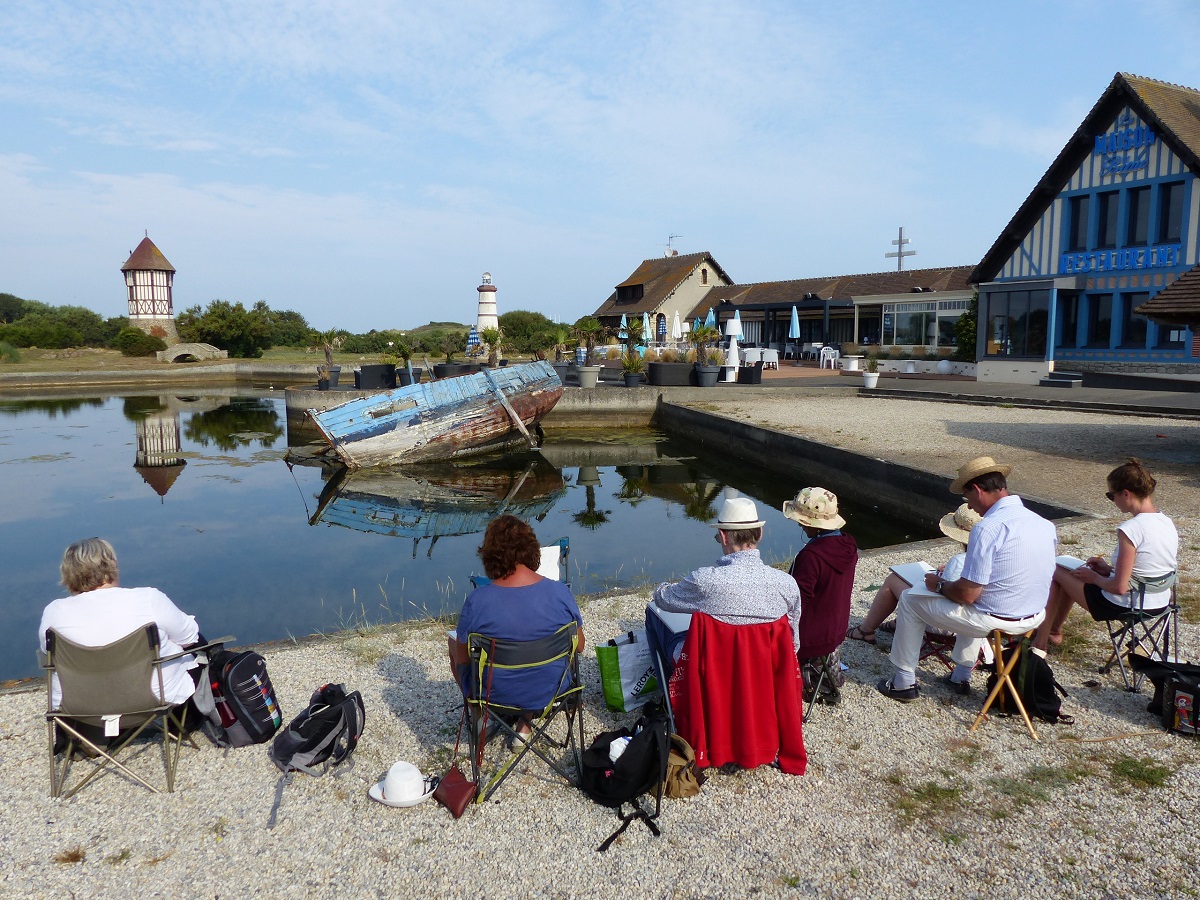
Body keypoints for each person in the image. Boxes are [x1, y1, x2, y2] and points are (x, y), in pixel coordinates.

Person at [878, 456, 1056, 702]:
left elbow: (967, 594)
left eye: (968, 498)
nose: (970, 507)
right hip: (1032, 618)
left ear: (977, 490)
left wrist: (938, 585)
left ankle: (903, 681)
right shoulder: (1044, 524)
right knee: (976, 598)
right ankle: (960, 674)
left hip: (996, 619)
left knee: (910, 599)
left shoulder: (987, 528)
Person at [39, 538, 206, 741]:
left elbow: (50, 657)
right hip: (151, 701)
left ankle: (88, 737)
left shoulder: (53, 612)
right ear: (112, 564)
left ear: (67, 573)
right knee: (200, 650)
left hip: (80, 707)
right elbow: (190, 637)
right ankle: (182, 724)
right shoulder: (148, 599)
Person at [450, 515, 584, 736]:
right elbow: (579, 647)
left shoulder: (478, 600)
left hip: (494, 693)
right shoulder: (560, 592)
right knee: (535, 655)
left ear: (490, 555)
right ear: (532, 549)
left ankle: (483, 718)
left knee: (453, 641)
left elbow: (464, 660)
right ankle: (525, 725)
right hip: (551, 689)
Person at [1033, 458, 1178, 652]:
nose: (1113, 501)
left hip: (1128, 604)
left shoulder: (1131, 529)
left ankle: (1041, 643)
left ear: (1125, 494)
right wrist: (1108, 570)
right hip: (1160, 602)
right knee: (1074, 572)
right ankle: (1053, 630)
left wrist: (1093, 577)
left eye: (1111, 496)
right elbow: (1148, 567)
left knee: (1056, 570)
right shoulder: (1166, 522)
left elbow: (1119, 587)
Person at [650, 496, 801, 665]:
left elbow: (662, 599)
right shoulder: (787, 584)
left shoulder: (705, 580)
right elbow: (793, 644)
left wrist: (663, 587)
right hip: (764, 668)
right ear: (760, 534)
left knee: (655, 616)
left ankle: (669, 688)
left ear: (723, 536)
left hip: (713, 668)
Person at [846, 503, 981, 644]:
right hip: (980, 622)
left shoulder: (959, 561)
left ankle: (865, 631)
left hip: (948, 623)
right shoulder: (993, 558)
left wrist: (936, 581)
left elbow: (946, 596)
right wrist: (948, 571)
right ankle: (897, 622)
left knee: (894, 580)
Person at [782, 487, 857, 702]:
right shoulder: (848, 545)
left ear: (814, 525)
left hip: (810, 638)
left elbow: (797, 602)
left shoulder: (811, 556)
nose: (799, 524)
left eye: (803, 521)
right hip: (837, 629)